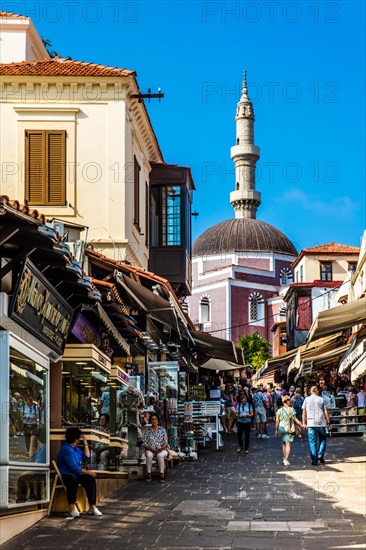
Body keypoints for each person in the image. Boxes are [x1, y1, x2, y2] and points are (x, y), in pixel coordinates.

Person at [56, 427, 102, 518]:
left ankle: (92, 507)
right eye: (79, 438)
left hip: (76, 474)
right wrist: (89, 472)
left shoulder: (75, 449)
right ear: (76, 439)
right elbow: (75, 469)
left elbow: (86, 456)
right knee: (73, 481)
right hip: (67, 474)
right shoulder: (66, 450)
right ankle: (71, 508)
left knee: (90, 479)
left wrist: (85, 444)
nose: (80, 439)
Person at [302, 386, 331, 466]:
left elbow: (304, 412)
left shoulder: (306, 399)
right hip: (321, 422)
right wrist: (328, 422)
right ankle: (320, 454)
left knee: (312, 442)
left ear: (311, 391)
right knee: (323, 439)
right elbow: (325, 411)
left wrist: (304, 423)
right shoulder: (321, 399)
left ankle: (314, 461)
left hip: (311, 423)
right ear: (317, 391)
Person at [275, 395, 303, 466]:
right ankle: (286, 460)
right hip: (288, 428)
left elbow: (277, 421)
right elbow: (295, 419)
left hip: (281, 428)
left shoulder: (279, 410)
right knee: (288, 444)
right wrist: (301, 425)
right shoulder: (291, 409)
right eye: (289, 400)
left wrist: (276, 430)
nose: (291, 401)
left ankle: (284, 458)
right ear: (286, 401)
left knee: (284, 443)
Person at [143, 413, 169, 483]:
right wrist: (151, 448)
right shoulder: (147, 431)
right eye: (152, 419)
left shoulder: (162, 430)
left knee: (160, 455)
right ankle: (149, 473)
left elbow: (166, 443)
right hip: (150, 449)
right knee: (148, 455)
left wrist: (161, 448)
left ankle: (162, 474)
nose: (154, 421)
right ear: (150, 421)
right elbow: (145, 443)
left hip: (162, 450)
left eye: (155, 419)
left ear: (158, 421)